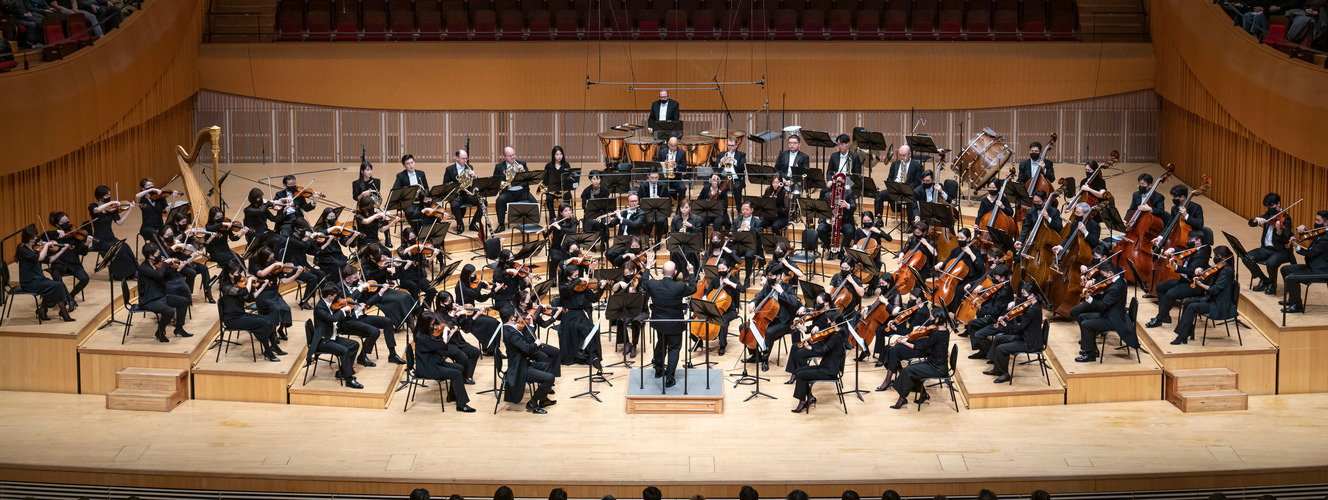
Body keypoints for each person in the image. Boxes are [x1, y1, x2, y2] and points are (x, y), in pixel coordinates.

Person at [642, 257, 697, 387]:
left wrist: (648, 267)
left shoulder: (653, 284)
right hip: (674, 324)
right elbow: (693, 289)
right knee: (674, 348)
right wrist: (691, 272)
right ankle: (669, 378)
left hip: (659, 322)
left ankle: (658, 370)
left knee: (661, 344)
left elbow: (643, 282)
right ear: (675, 273)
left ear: (661, 271)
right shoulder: (679, 286)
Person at [217, 264, 283, 362]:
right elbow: (243, 292)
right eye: (237, 273)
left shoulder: (236, 285)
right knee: (262, 323)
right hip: (232, 319)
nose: (240, 275)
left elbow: (249, 298)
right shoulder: (226, 287)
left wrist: (262, 287)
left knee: (268, 319)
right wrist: (249, 281)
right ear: (230, 275)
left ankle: (274, 346)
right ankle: (268, 352)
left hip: (241, 315)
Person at [413, 311, 476, 412]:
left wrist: (450, 333)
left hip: (432, 362)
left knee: (459, 367)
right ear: (425, 324)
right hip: (427, 368)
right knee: (456, 374)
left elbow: (440, 345)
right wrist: (446, 332)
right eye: (431, 323)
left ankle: (452, 396)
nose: (433, 325)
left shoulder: (425, 333)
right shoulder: (422, 338)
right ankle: (461, 405)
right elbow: (441, 345)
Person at [1145, 230, 1210, 327]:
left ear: (1198, 241)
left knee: (1170, 294)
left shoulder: (1202, 254)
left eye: (1190, 239)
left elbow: (1192, 271)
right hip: (1184, 280)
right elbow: (1185, 252)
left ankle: (1159, 319)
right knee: (1161, 287)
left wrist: (1176, 267)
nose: (1188, 241)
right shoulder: (1195, 247)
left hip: (1194, 284)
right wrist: (1173, 250)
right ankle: (1165, 316)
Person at [1173, 246, 1236, 345]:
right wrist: (1201, 275)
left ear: (1223, 258)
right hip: (1212, 299)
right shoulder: (1220, 268)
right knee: (1188, 302)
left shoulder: (1226, 272)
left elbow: (1214, 289)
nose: (1214, 258)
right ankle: (1186, 331)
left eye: (1216, 256)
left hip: (1219, 305)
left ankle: (1182, 336)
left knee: (1192, 307)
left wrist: (1201, 284)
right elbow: (1211, 279)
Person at [1073, 263, 1136, 362]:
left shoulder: (1116, 287)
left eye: (1103, 275)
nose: (1103, 278)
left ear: (1110, 273)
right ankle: (1092, 348)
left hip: (1114, 319)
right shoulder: (1118, 280)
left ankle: (1090, 355)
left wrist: (1089, 298)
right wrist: (1093, 285)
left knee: (1086, 324)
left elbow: (1102, 305)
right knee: (1082, 317)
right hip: (1110, 313)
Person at [982, 283, 1044, 383]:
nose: (1023, 297)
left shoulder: (1033, 310)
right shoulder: (1032, 304)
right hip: (1024, 336)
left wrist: (1006, 325)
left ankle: (1005, 374)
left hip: (1029, 342)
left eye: (1025, 295)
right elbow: (1021, 309)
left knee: (1001, 348)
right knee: (998, 339)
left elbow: (1020, 328)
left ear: (1032, 295)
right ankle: (997, 368)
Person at [887, 313, 950, 409]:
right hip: (937, 364)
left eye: (932, 317)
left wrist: (905, 342)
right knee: (912, 370)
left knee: (908, 370)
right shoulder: (945, 330)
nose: (930, 318)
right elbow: (933, 338)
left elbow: (921, 348)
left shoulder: (936, 334)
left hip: (937, 367)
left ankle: (901, 400)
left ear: (937, 319)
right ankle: (923, 394)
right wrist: (924, 330)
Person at [501, 306, 557, 414]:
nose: (518, 317)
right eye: (516, 315)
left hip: (524, 363)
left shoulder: (511, 329)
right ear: (512, 318)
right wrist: (536, 344)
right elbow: (527, 348)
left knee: (547, 366)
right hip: (520, 369)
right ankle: (533, 403)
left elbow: (525, 340)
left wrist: (531, 325)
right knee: (550, 378)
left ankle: (543, 399)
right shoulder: (511, 334)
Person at [746, 266, 802, 371]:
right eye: (768, 275)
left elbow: (795, 302)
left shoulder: (787, 288)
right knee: (744, 328)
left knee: (769, 332)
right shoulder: (768, 286)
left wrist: (781, 292)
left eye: (771, 276)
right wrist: (753, 303)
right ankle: (755, 355)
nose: (769, 278)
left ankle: (765, 359)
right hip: (768, 319)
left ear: (779, 276)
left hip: (783, 321)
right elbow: (759, 296)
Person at [15, 227, 75, 322]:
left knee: (55, 287)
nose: (37, 238)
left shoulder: (34, 249)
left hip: (38, 279)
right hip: (29, 282)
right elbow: (40, 258)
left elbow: (49, 260)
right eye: (35, 236)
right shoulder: (23, 251)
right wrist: (46, 245)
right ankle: (64, 313)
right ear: (30, 239)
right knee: (57, 286)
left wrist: (62, 250)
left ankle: (43, 309)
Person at [137, 243, 194, 342]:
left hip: (160, 295)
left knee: (184, 301)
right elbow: (159, 276)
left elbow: (165, 278)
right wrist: (165, 264)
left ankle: (179, 328)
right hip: (149, 299)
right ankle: (160, 331)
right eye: (157, 254)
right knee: (169, 311)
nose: (160, 256)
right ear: (150, 256)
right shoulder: (144, 268)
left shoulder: (156, 265)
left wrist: (178, 269)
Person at [312, 282, 363, 389]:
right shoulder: (319, 309)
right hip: (324, 341)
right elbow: (333, 318)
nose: (336, 298)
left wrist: (356, 311)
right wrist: (343, 310)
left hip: (332, 337)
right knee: (344, 351)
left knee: (354, 345)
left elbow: (337, 317)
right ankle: (349, 379)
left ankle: (343, 371)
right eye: (335, 296)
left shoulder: (329, 304)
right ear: (329, 296)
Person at [1245, 192, 1296, 295]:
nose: (1270, 209)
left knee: (1271, 262)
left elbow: (1286, 238)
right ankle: (1264, 279)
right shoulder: (1268, 214)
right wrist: (1255, 220)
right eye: (1268, 207)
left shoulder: (1286, 218)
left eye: (1271, 206)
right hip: (1266, 249)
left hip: (1281, 251)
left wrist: (1279, 232)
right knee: (1246, 257)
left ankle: (1273, 283)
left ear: (1278, 203)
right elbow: (1251, 224)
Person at [248, 247, 302, 342]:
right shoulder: (256, 266)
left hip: (274, 294)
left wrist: (296, 274)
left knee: (286, 309)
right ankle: (272, 333)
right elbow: (261, 274)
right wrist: (274, 265)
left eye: (273, 257)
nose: (272, 260)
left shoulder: (275, 267)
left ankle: (280, 329)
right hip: (262, 295)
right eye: (270, 258)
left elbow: (284, 281)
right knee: (275, 309)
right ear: (264, 258)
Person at [558, 264, 606, 368]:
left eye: (578, 275)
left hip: (580, 314)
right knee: (583, 329)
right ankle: (587, 355)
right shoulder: (563, 288)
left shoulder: (582, 287)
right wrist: (579, 280)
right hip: (568, 316)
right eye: (575, 276)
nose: (578, 278)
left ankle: (592, 355)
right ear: (568, 277)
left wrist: (601, 289)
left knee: (592, 330)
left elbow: (593, 299)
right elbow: (568, 289)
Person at [791, 326, 847, 414]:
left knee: (801, 374)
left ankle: (803, 402)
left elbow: (823, 350)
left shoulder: (836, 337)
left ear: (835, 323)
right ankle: (809, 397)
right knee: (798, 371)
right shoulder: (836, 335)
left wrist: (810, 348)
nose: (829, 323)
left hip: (829, 371)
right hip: (826, 367)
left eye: (831, 321)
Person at [87, 185, 139, 280]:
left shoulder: (112, 209)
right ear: (100, 197)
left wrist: (130, 210)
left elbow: (119, 223)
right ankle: (122, 274)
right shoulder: (93, 206)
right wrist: (111, 202)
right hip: (99, 241)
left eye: (109, 195)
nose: (109, 197)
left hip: (110, 238)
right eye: (107, 195)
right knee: (118, 250)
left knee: (125, 246)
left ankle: (135, 271)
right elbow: (97, 210)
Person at [1281, 210, 1328, 313]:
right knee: (1285, 270)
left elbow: (1310, 253)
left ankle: (1297, 306)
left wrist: (1297, 247)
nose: (1315, 222)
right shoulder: (1322, 231)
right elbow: (1312, 234)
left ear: (1326, 222)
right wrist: (1302, 231)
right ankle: (1293, 299)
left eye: (1318, 220)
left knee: (1292, 278)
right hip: (1312, 267)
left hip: (1320, 271)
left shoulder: (1326, 238)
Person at [784, 294, 838, 382]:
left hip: (823, 345)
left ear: (826, 303)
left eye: (819, 303)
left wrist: (816, 327)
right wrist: (798, 323)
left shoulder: (830, 315)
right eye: (816, 302)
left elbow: (812, 329)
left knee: (800, 353)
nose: (817, 305)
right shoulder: (820, 312)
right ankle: (794, 374)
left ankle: (805, 376)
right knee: (794, 347)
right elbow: (809, 328)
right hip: (815, 340)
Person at [43, 212, 90, 308]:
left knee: (85, 278)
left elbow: (83, 253)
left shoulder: (74, 235)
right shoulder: (53, 235)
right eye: (63, 222)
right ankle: (69, 299)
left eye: (67, 221)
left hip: (74, 263)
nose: (67, 223)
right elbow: (43, 236)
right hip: (59, 263)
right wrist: (57, 232)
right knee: (56, 277)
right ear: (57, 225)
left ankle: (71, 296)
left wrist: (86, 244)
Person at [493, 146, 537, 232]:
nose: (512, 157)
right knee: (499, 200)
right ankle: (501, 224)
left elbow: (528, 178)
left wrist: (523, 171)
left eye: (513, 155)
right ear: (504, 157)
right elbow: (496, 181)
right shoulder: (499, 167)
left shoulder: (522, 164)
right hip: (508, 192)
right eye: (509, 156)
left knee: (535, 204)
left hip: (522, 191)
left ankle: (531, 223)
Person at [876, 144, 924, 216]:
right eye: (900, 155)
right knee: (879, 195)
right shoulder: (894, 164)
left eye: (904, 155)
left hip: (908, 192)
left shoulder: (917, 165)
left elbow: (917, 182)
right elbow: (889, 179)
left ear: (909, 154)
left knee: (913, 198)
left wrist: (906, 188)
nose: (901, 157)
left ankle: (911, 221)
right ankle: (878, 219)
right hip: (895, 190)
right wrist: (894, 185)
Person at [443, 149, 484, 234]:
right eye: (463, 158)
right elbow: (445, 184)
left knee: (483, 202)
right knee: (454, 205)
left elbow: (475, 183)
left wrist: (475, 176)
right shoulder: (449, 169)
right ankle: (460, 224)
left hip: (467, 193)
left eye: (466, 158)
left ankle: (473, 224)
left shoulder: (470, 167)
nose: (465, 160)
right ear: (457, 158)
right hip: (456, 195)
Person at [818, 183, 858, 254]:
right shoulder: (827, 195)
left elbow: (853, 207)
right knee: (820, 229)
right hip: (831, 220)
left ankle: (842, 251)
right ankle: (829, 247)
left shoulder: (849, 193)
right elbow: (824, 210)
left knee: (850, 231)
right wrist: (829, 218)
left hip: (844, 220)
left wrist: (847, 205)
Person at [135, 177, 177, 242]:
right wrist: (151, 189)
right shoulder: (142, 199)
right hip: (147, 227)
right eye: (148, 185)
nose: (151, 186)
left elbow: (169, 211)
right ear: (143, 188)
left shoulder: (160, 198)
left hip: (160, 225)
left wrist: (174, 198)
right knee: (155, 234)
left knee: (169, 231)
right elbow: (137, 196)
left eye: (152, 185)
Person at [669, 199, 704, 269]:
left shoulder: (695, 218)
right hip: (679, 244)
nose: (684, 209)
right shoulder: (675, 219)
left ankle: (692, 272)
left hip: (691, 244)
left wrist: (691, 226)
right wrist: (678, 233)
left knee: (692, 253)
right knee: (675, 252)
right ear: (680, 208)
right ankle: (675, 271)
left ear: (690, 208)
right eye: (682, 207)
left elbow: (699, 232)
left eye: (686, 207)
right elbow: (672, 234)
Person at [542, 146, 574, 222]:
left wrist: (567, 188)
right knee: (549, 198)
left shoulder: (566, 165)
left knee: (567, 195)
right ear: (553, 155)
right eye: (557, 154)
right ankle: (552, 218)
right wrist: (548, 188)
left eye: (561, 154)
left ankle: (565, 217)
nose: (559, 156)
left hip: (563, 190)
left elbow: (569, 179)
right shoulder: (548, 166)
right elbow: (545, 180)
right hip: (552, 189)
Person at [636, 171, 672, 237]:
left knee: (661, 221)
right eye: (652, 178)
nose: (654, 180)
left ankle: (658, 239)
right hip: (647, 210)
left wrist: (660, 199)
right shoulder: (643, 186)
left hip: (660, 210)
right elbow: (639, 199)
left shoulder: (663, 186)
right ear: (648, 176)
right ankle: (646, 238)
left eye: (656, 178)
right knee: (649, 221)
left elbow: (669, 200)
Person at [714, 138, 747, 206]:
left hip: (736, 179)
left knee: (737, 188)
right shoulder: (721, 154)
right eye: (729, 145)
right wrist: (721, 163)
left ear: (736, 145)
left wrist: (734, 160)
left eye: (732, 145)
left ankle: (739, 209)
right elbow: (715, 168)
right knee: (719, 188)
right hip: (724, 179)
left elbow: (742, 167)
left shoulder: (741, 155)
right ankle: (722, 209)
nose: (730, 147)